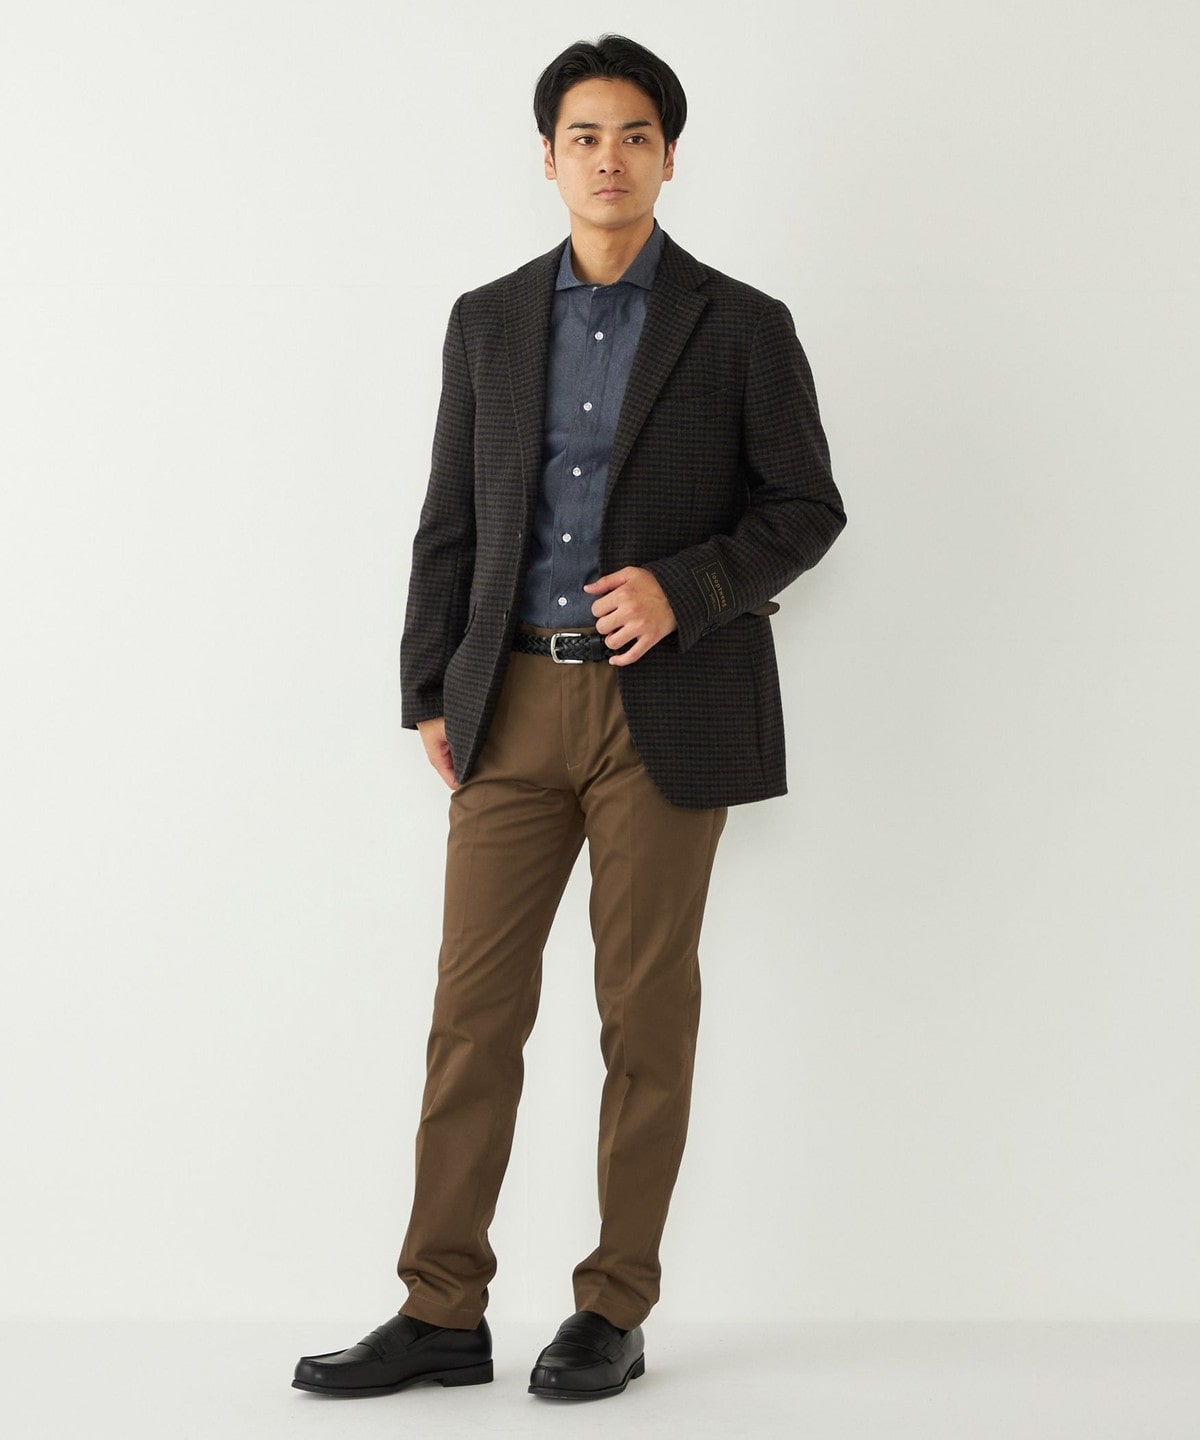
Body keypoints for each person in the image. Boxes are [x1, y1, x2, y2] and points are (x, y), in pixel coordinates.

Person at [293, 33, 845, 1403]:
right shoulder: (487, 319)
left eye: (636, 135)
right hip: (509, 701)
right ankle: (441, 1310)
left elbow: (805, 507)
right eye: (585, 136)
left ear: (670, 156)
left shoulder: (741, 324)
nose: (610, 158)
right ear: (547, 158)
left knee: (643, 1019)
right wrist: (430, 686)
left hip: (669, 707)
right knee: (471, 1014)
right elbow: (451, 515)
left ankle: (613, 1306)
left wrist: (684, 587)